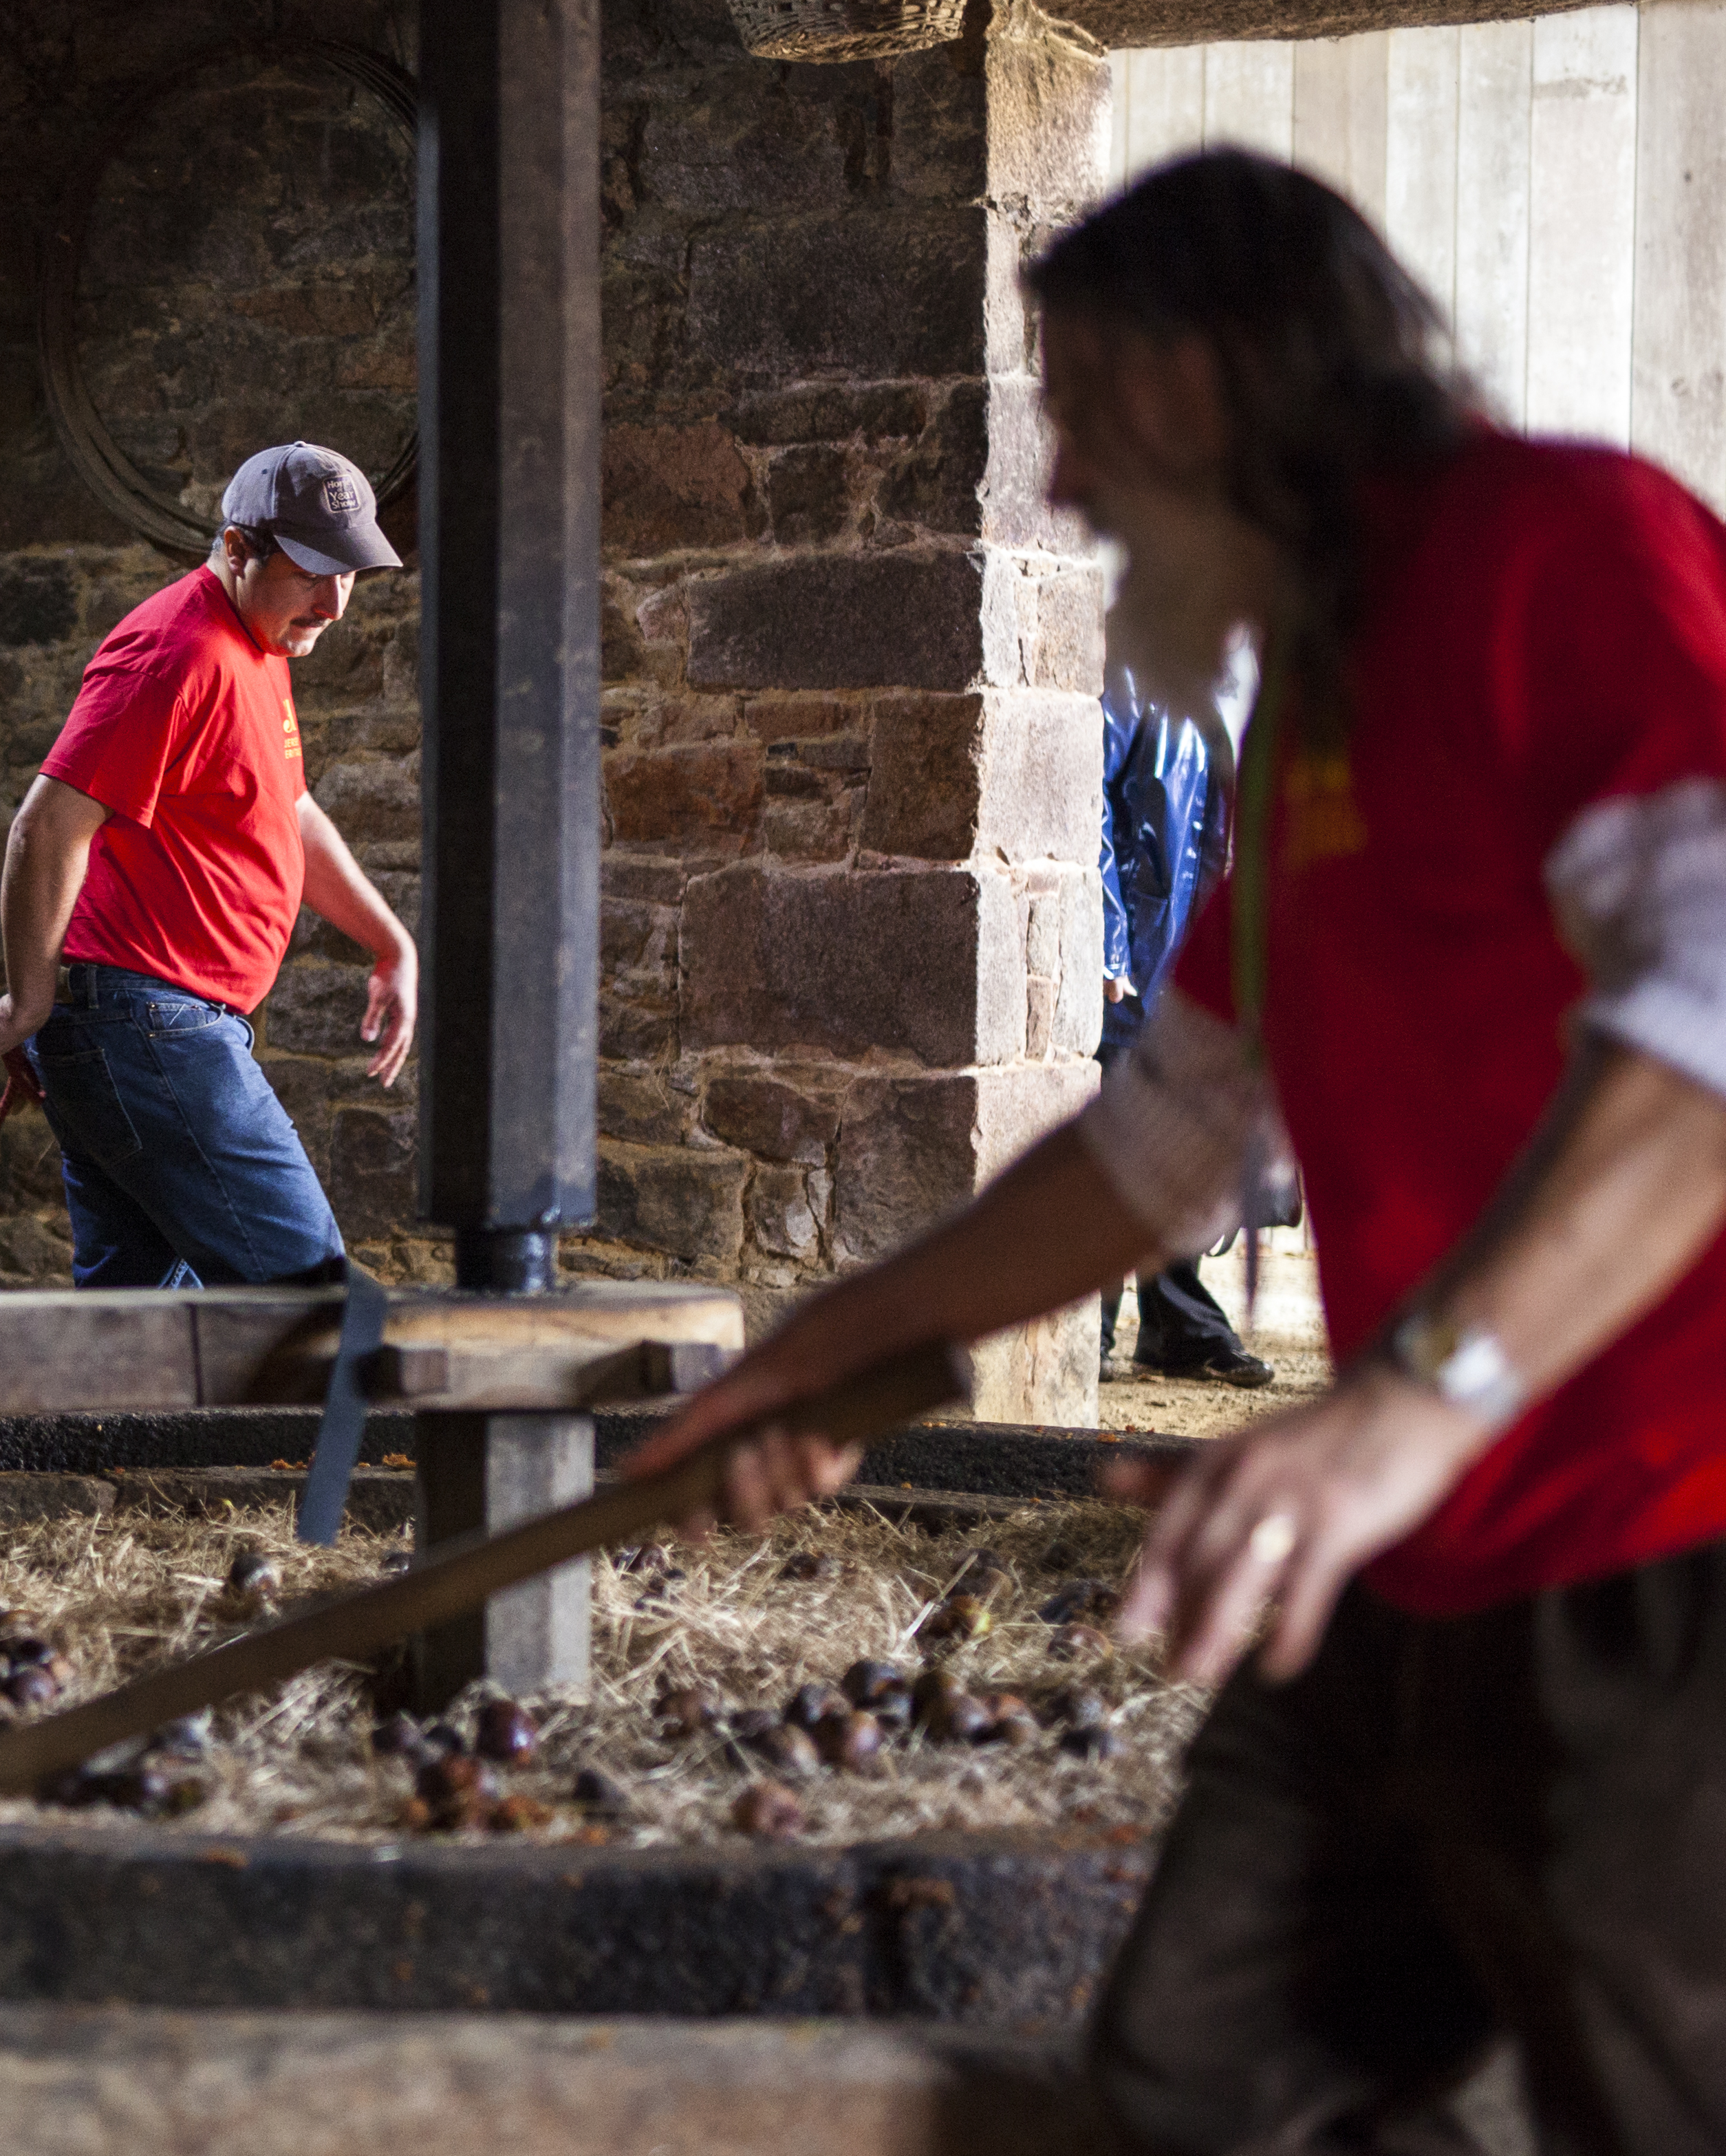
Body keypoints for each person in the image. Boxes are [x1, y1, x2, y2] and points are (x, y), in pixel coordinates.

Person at [638, 149, 1726, 2153]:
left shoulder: (1559, 547)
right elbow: (1165, 1146)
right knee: (1191, 2092)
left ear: (1215, 375)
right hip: (1405, 1557)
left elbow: (1712, 1014)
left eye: (1076, 405)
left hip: (1664, 1546)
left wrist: (1408, 1403)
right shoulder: (1316, 696)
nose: (1056, 481)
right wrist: (830, 1343)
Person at [0, 442, 417, 1286]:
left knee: (144, 1337)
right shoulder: (178, 652)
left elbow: (287, 809)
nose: (336, 603)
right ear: (238, 550)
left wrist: (390, 942)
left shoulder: (259, 646)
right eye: (313, 572)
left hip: (149, 1024)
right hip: (147, 1022)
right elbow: (44, 827)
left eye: (350, 574)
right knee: (312, 1304)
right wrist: (29, 1003)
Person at [1095, 654, 1271, 1388]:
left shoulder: (1267, 684)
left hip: (1211, 948)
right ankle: (1093, 1322)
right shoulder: (1137, 673)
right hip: (1144, 944)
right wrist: (1107, 938)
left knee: (1188, 1126)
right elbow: (1091, 798)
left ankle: (1176, 1320)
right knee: (1118, 1117)